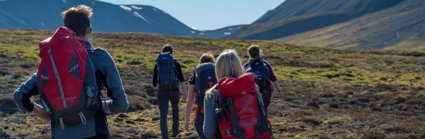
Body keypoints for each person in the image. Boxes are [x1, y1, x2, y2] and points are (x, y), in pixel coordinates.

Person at [12, 5, 128, 139]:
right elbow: (121, 105)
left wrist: (43, 112)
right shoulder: (99, 57)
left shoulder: (52, 63)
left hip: (61, 133)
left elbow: (19, 96)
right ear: (88, 30)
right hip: (95, 132)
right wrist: (96, 106)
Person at [203, 49, 272, 139]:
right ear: (239, 67)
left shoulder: (212, 94)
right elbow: (262, 114)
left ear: (218, 69)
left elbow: (209, 132)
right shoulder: (252, 88)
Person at [152, 44, 186, 139]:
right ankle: (175, 133)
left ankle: (165, 136)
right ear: (172, 53)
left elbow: (154, 83)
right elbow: (182, 79)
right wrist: (185, 94)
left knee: (163, 114)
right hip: (174, 91)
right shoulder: (176, 63)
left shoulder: (158, 64)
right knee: (175, 109)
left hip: (162, 91)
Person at [184, 52, 217, 139]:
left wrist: (186, 121)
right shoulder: (218, 73)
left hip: (201, 114)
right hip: (219, 113)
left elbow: (190, 101)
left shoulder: (195, 76)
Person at [243, 45, 283, 115]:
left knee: (253, 111)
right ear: (259, 52)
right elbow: (273, 78)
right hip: (265, 91)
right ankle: (264, 123)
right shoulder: (266, 65)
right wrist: (279, 90)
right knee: (264, 109)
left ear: (249, 54)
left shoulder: (246, 66)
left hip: (251, 93)